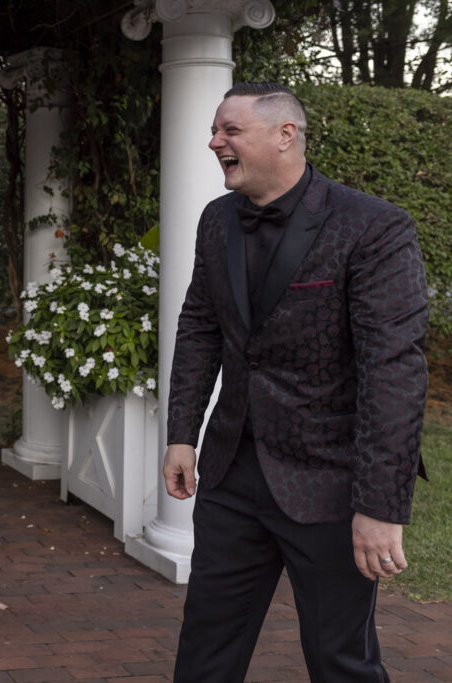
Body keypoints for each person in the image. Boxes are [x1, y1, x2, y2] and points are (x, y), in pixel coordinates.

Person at [164, 82, 428, 682]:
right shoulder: (216, 220)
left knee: (341, 660)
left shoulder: (374, 227)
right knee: (205, 648)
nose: (214, 141)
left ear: (286, 135)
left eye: (230, 130)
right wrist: (183, 433)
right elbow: (201, 326)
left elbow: (395, 369)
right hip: (232, 472)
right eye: (215, 130)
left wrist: (380, 505)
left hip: (331, 483)